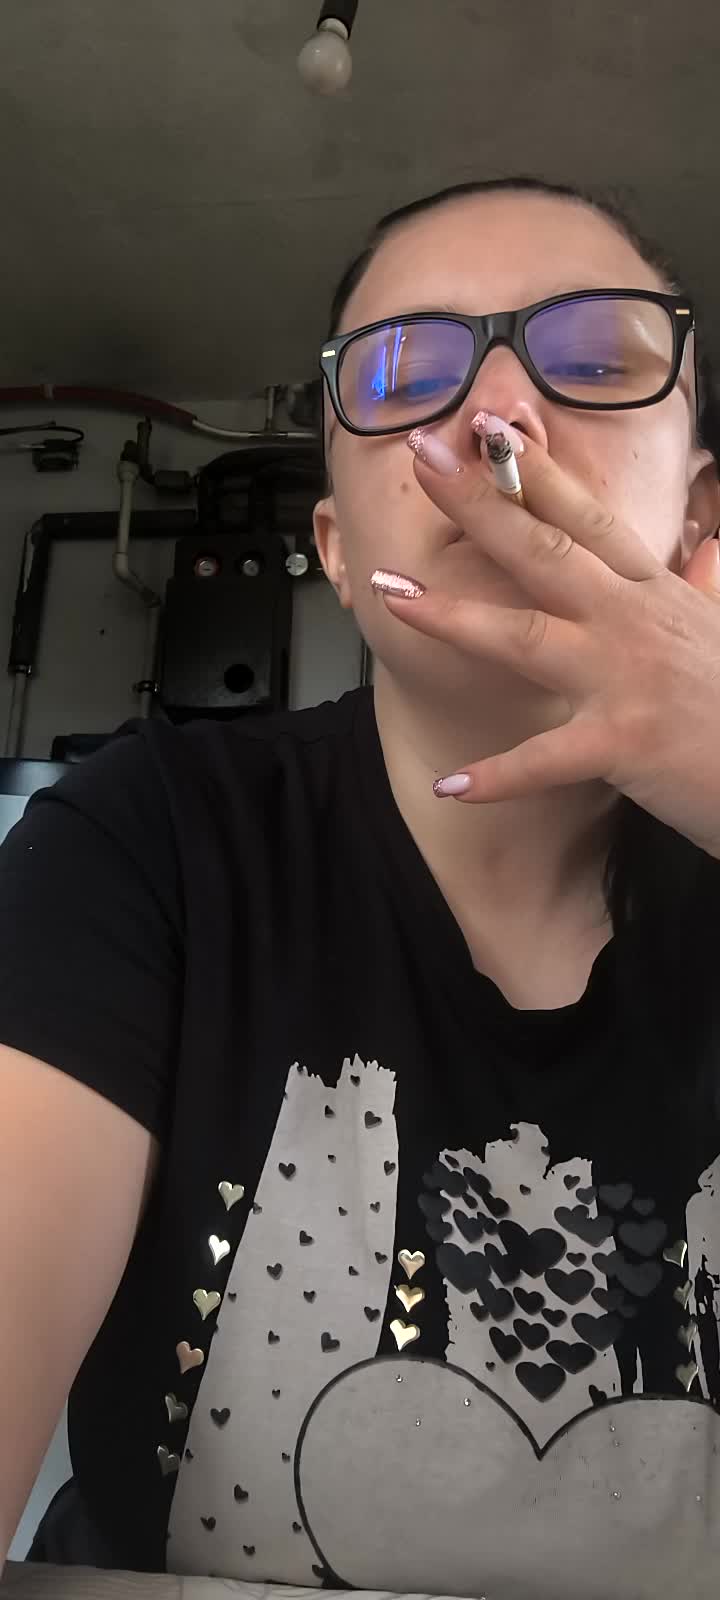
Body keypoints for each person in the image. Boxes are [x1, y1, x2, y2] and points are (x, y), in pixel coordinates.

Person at [2, 175, 720, 1600]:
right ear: (335, 552)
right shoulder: (146, 840)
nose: (499, 420)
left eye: (594, 359)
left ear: (701, 520)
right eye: (402, 373)